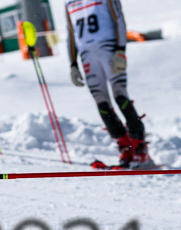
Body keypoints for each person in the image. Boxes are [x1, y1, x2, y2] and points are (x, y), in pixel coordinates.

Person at [65, 0, 152, 168]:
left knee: (120, 94)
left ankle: (140, 147)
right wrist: (73, 64)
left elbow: (119, 19)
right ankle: (124, 146)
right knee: (101, 101)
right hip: (86, 54)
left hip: (108, 47)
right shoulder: (69, 3)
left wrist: (120, 49)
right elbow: (71, 33)